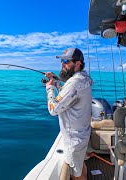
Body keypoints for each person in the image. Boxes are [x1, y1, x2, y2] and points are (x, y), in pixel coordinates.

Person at [45, 47, 93, 180]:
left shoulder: (73, 84)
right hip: (82, 134)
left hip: (74, 140)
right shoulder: (84, 78)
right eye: (62, 61)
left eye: (66, 61)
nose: (62, 64)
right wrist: (56, 81)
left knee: (76, 176)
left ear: (78, 64)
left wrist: (49, 88)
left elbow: (53, 109)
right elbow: (69, 95)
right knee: (80, 165)